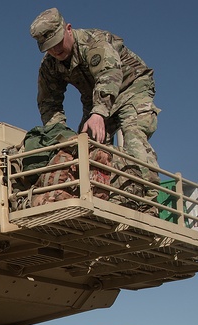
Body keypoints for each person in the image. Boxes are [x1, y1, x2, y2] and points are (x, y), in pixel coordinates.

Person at [29, 8, 160, 192]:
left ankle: (149, 200)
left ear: (68, 29)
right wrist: (61, 135)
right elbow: (48, 102)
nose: (55, 50)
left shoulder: (93, 43)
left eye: (57, 42)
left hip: (131, 87)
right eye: (48, 47)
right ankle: (107, 194)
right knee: (84, 149)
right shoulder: (49, 66)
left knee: (134, 137)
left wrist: (99, 112)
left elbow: (109, 73)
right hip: (94, 101)